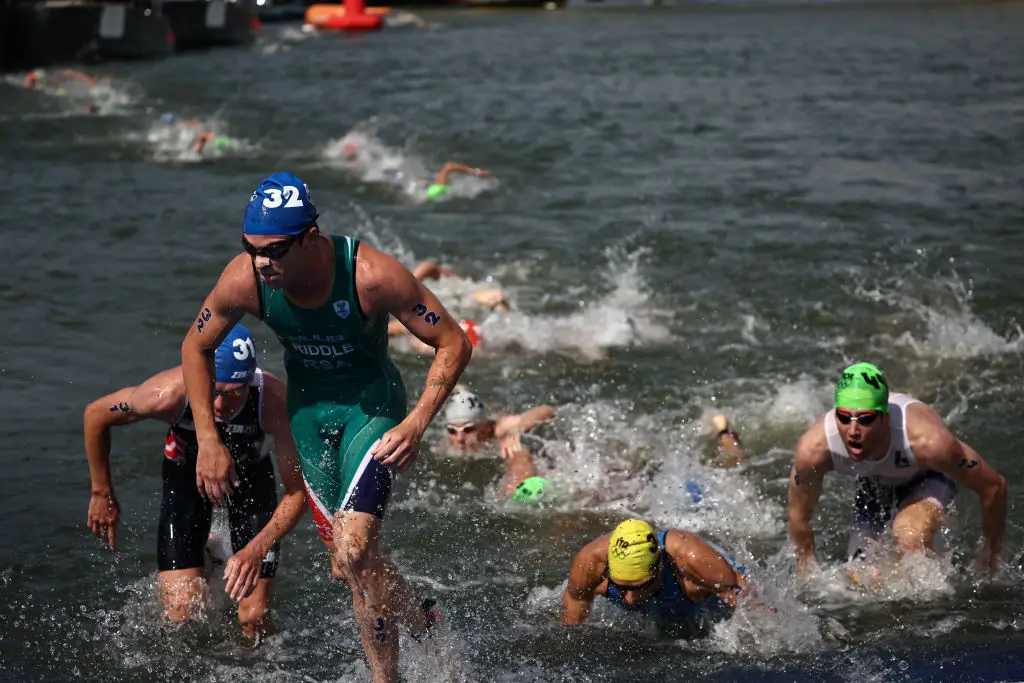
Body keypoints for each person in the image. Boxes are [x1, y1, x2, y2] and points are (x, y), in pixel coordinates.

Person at [180, 172, 472, 683]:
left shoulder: (372, 275)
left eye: (274, 250)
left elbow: (452, 341)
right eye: (251, 249)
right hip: (309, 415)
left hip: (371, 406)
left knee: (356, 547)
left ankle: (385, 678)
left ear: (310, 237)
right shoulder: (244, 279)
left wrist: (417, 423)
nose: (262, 262)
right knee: (348, 562)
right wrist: (207, 439)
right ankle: (423, 619)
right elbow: (195, 346)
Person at [83, 324, 306, 640]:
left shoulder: (273, 401)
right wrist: (101, 491)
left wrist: (256, 549)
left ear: (249, 382)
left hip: (250, 482)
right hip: (186, 480)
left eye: (233, 394)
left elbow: (298, 493)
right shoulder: (167, 395)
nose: (219, 406)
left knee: (254, 620)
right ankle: (209, 557)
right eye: (214, 390)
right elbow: (95, 415)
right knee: (180, 617)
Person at [788, 362, 1007, 580]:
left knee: (910, 535)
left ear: (885, 417)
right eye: (844, 418)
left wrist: (991, 554)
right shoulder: (814, 449)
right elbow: (799, 514)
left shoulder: (928, 441)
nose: (853, 431)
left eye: (865, 419)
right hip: (873, 486)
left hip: (927, 476)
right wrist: (806, 572)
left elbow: (994, 486)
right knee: (861, 579)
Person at [560, 519, 750, 638]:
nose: (629, 599)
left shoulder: (694, 563)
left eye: (641, 586)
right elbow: (574, 608)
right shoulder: (590, 564)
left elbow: (751, 608)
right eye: (621, 587)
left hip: (709, 593)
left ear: (659, 567)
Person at [443, 387, 555, 502]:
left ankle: (519, 488)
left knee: (517, 451)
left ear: (485, 427)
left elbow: (546, 410)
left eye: (468, 429)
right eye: (452, 430)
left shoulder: (501, 429)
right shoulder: (446, 442)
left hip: (515, 452)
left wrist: (515, 431)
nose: (459, 438)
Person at [425, 162, 491, 201]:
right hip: (438, 189)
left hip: (434, 193)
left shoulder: (427, 192)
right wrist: (474, 171)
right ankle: (477, 172)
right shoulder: (439, 186)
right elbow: (449, 167)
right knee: (448, 166)